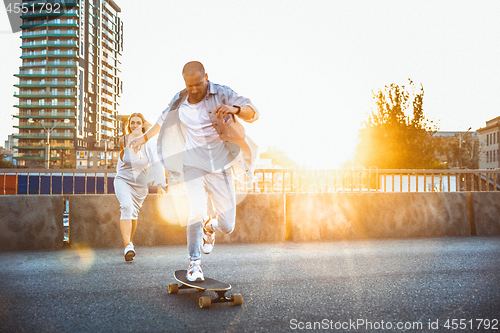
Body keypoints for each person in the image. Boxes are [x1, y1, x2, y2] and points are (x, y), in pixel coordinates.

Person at [129, 61, 259, 281]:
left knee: (227, 225)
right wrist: (143, 138)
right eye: (190, 86)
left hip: (220, 166)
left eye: (199, 84)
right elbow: (161, 122)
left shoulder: (222, 93)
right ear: (184, 84)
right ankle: (194, 263)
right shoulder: (179, 100)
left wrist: (233, 109)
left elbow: (253, 111)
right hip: (193, 165)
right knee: (196, 211)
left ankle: (210, 226)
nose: (195, 90)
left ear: (206, 76)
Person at [114, 113, 167, 262]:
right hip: (123, 180)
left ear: (143, 125)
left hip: (140, 185)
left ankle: (128, 246)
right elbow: (125, 159)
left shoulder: (149, 142)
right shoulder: (123, 140)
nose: (135, 125)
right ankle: (128, 245)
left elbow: (156, 163)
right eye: (132, 123)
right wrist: (133, 148)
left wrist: (160, 184)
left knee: (133, 213)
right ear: (129, 125)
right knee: (126, 207)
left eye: (138, 122)